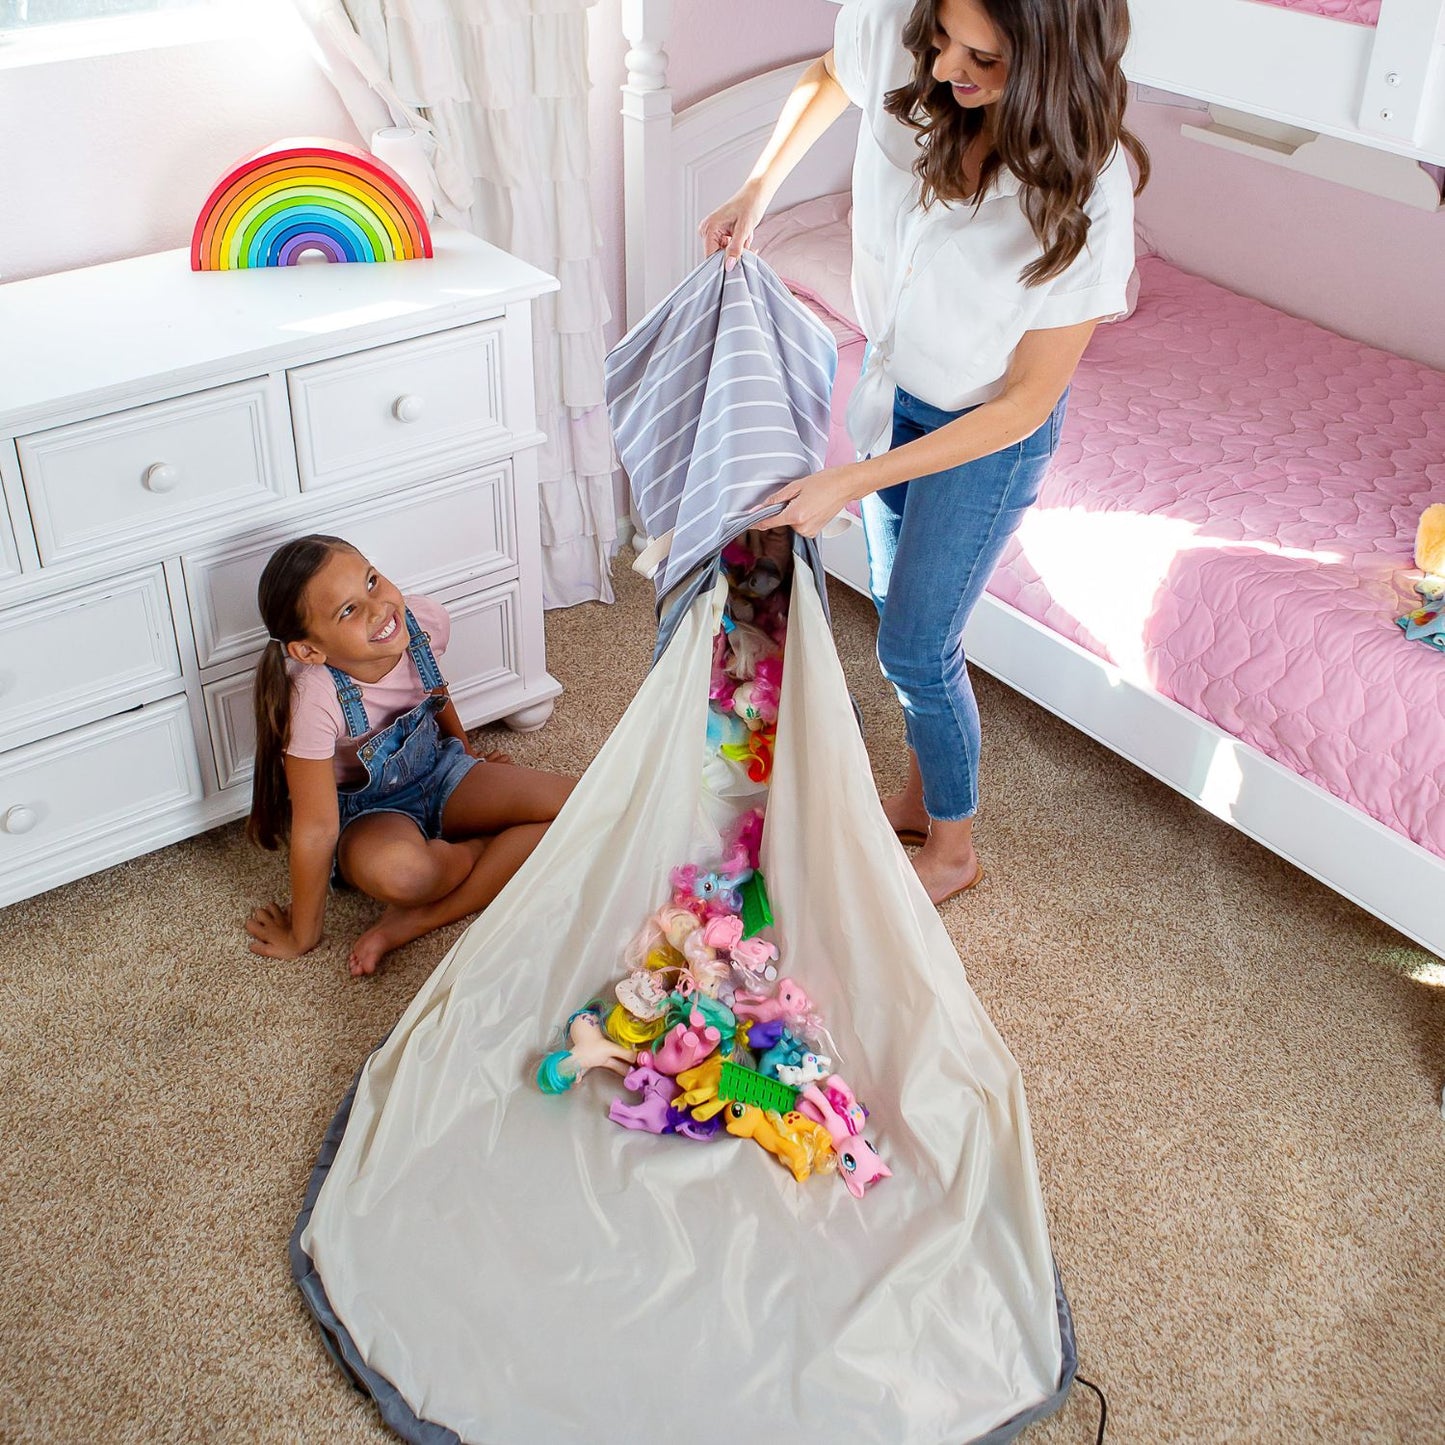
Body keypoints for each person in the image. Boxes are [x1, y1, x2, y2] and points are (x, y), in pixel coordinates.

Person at [699, 0, 1148, 905]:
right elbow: (827, 77)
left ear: (1052, 63)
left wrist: (852, 480)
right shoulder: (911, 40)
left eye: (979, 56)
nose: (945, 68)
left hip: (984, 435)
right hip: (895, 397)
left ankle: (953, 848)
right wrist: (755, 192)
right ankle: (914, 795)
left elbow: (1026, 400)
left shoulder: (1089, 192)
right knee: (904, 626)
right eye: (941, 41)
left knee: (914, 647)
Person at [244, 534, 574, 975]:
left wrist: (467, 753)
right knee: (406, 876)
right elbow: (317, 827)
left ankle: (419, 919)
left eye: (372, 582)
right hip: (370, 813)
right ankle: (483, 853)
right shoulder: (311, 699)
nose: (379, 609)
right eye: (348, 610)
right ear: (309, 650)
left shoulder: (422, 621)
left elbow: (435, 689)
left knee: (582, 803)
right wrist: (304, 934)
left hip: (440, 770)